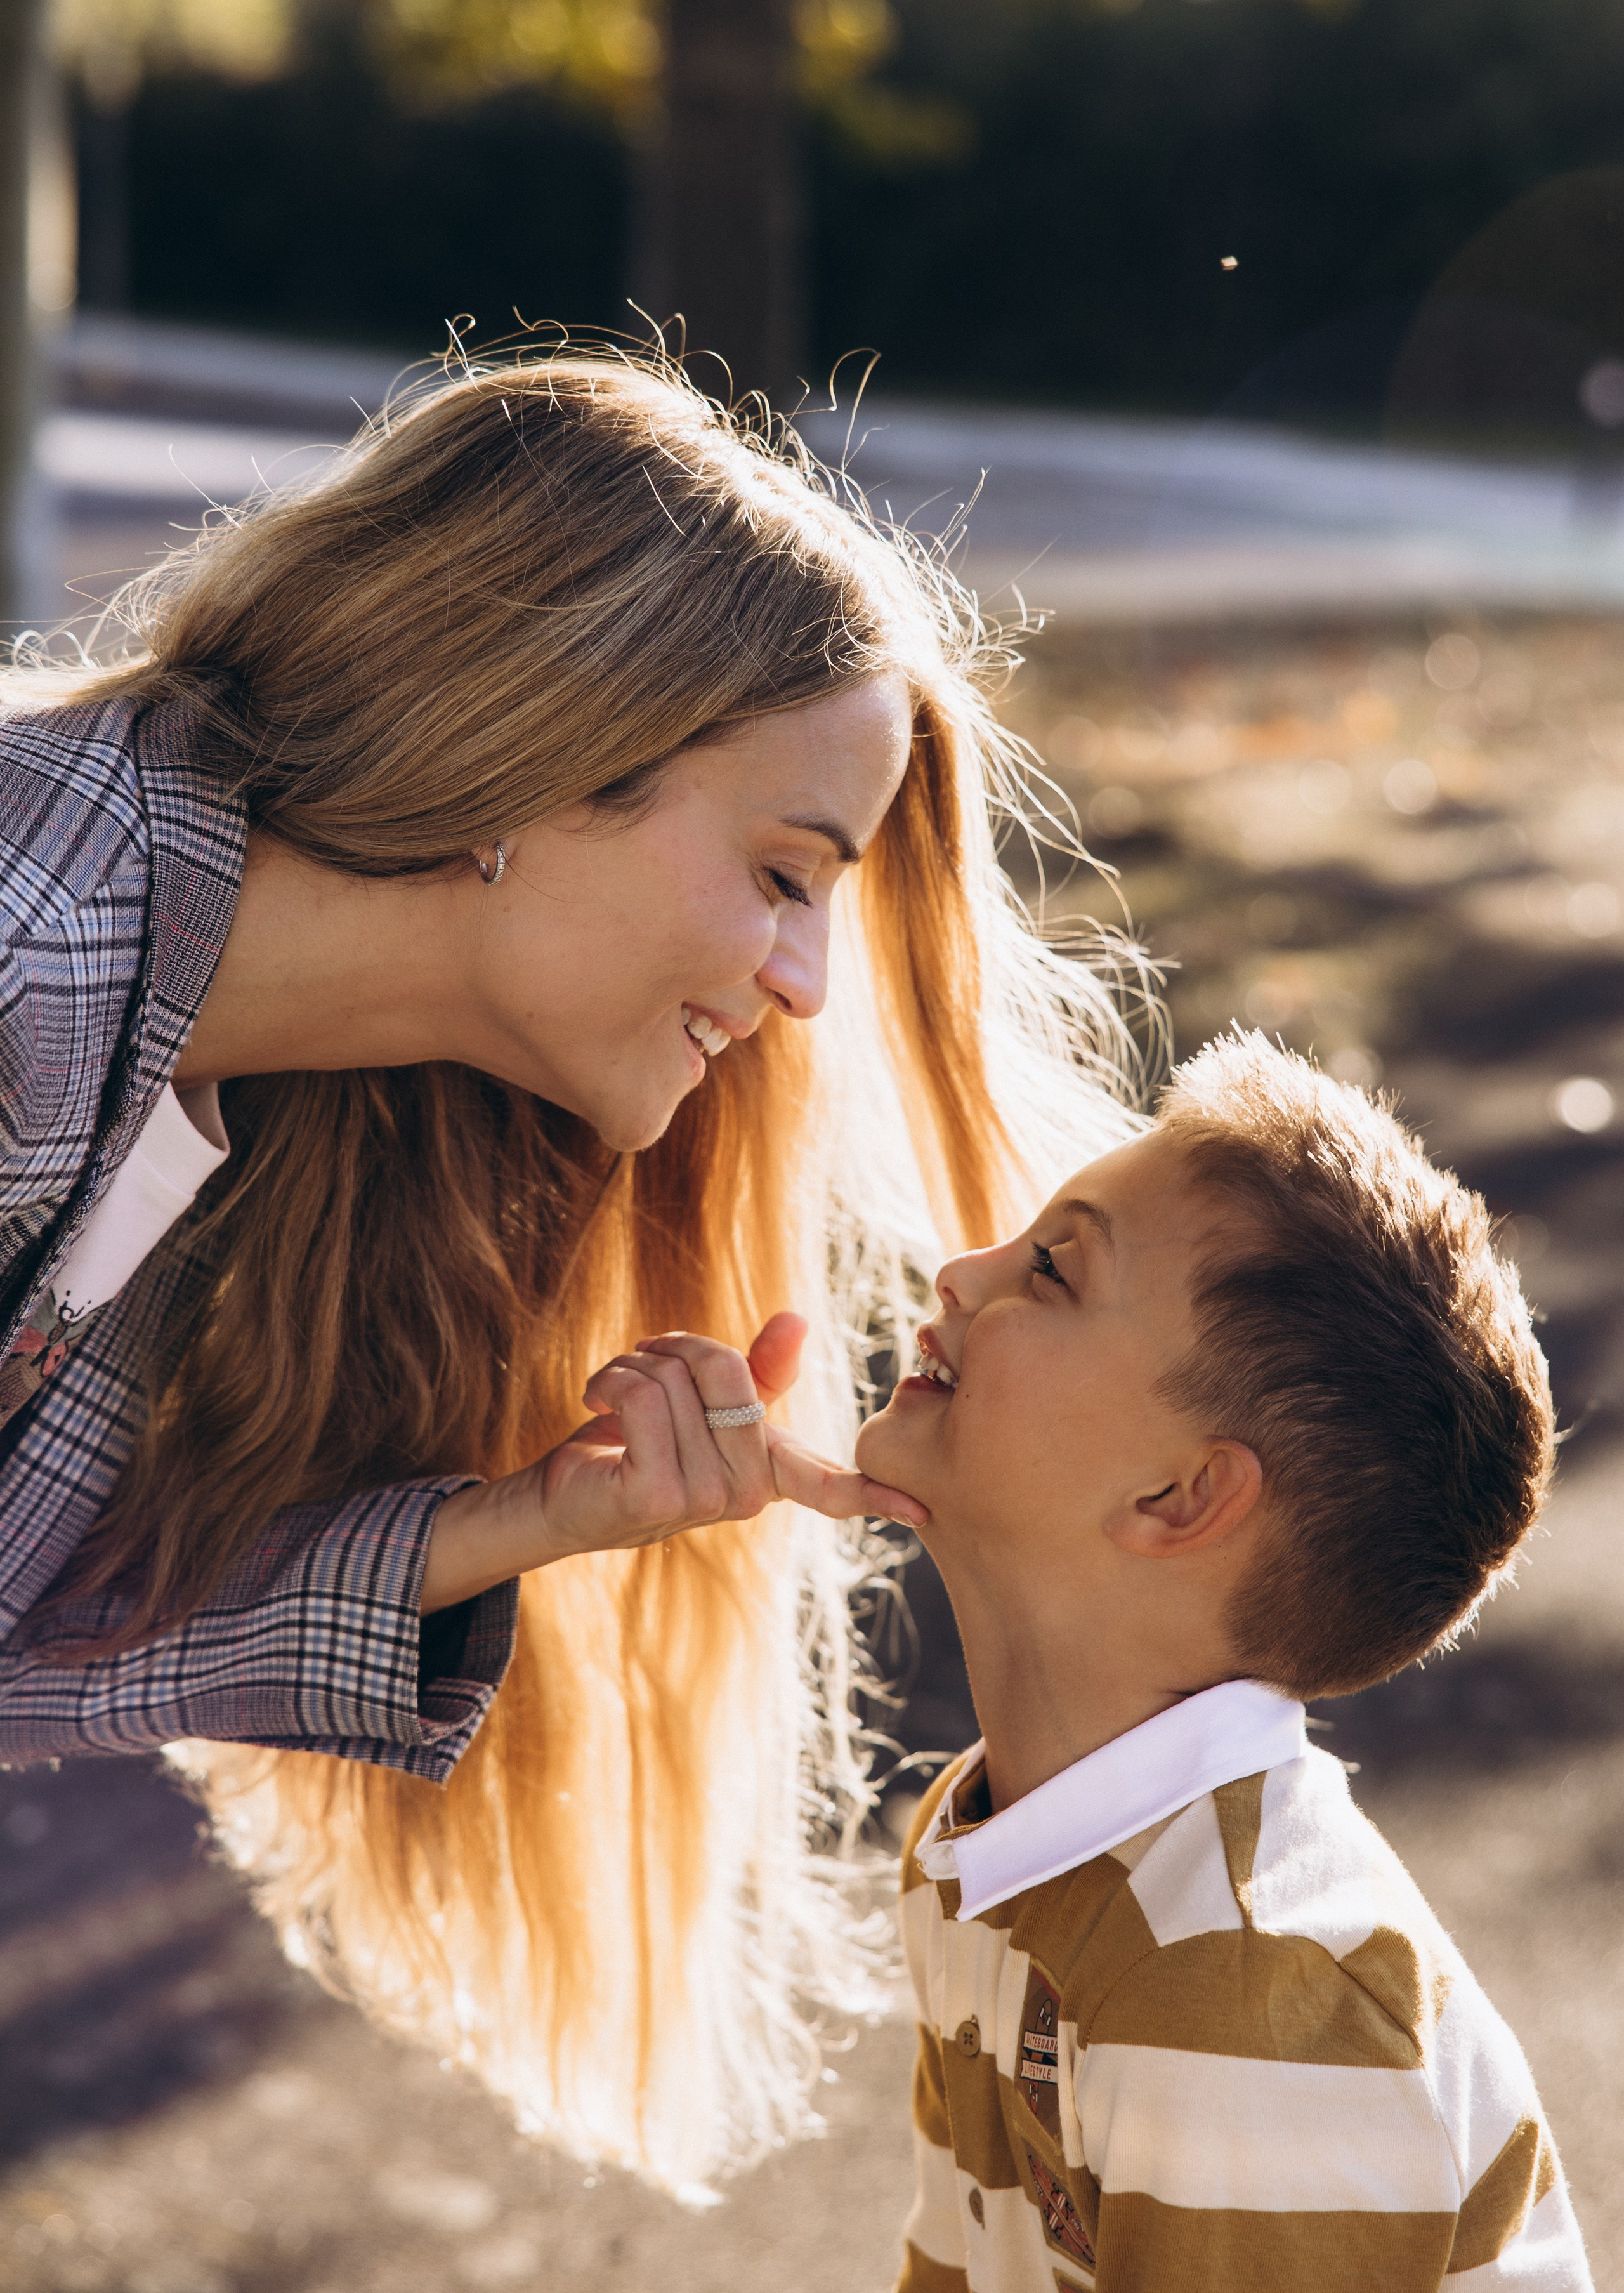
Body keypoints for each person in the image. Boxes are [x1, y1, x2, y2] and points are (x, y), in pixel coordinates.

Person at [0, 349, 1140, 2191]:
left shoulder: (190, 1072)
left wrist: (510, 1524)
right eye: (785, 873)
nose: (802, 988)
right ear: (541, 754)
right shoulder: (26, 962)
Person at [854, 1032, 1592, 2290]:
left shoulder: (1247, 1994)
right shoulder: (987, 1835)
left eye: (1048, 1268)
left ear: (1178, 1492)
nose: (960, 1271)